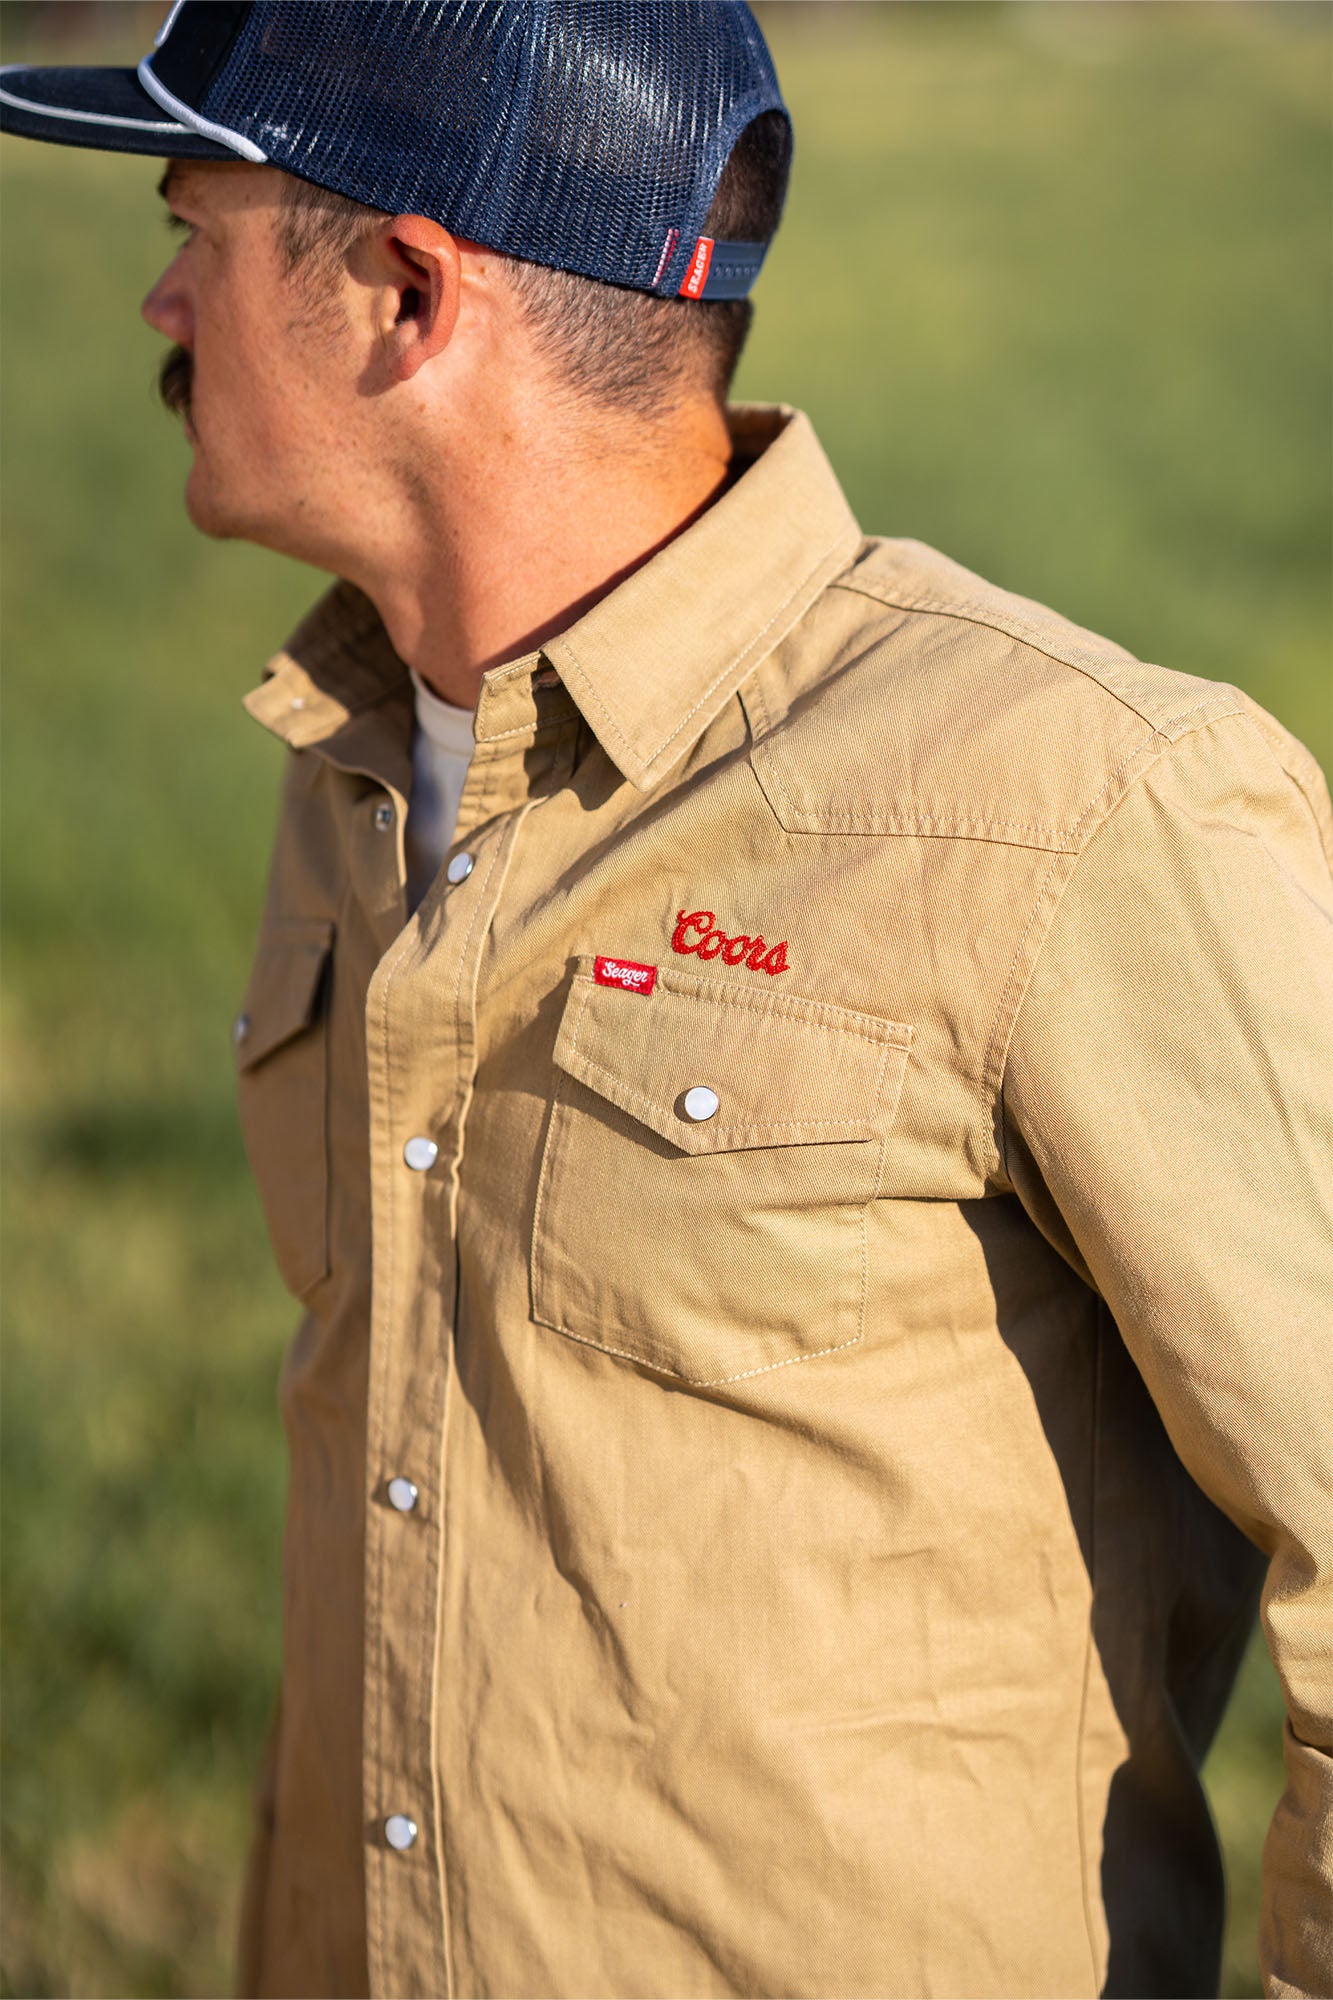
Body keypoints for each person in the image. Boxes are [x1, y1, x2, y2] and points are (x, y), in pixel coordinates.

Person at [3, 4, 1330, 1996]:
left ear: (407, 295)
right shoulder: (357, 767)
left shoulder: (1073, 804)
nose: (160, 300)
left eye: (198, 226)